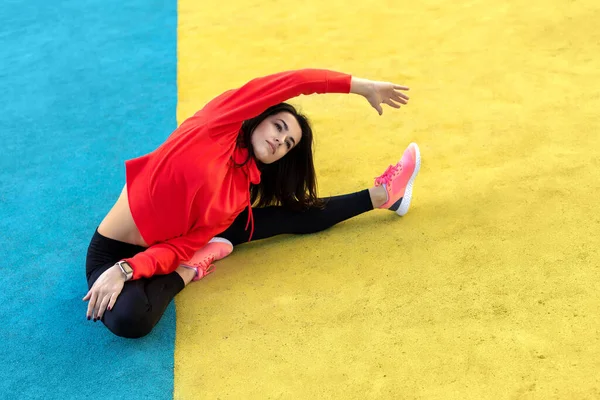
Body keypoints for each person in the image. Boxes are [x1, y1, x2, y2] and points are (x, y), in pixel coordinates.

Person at [83, 68, 419, 338]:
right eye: (278, 126)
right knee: (131, 320)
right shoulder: (215, 126)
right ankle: (191, 271)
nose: (280, 140)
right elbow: (296, 82)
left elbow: (176, 248)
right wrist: (360, 87)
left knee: (287, 217)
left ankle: (383, 196)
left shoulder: (238, 195)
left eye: (288, 143)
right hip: (112, 249)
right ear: (259, 117)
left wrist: (129, 271)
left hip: (173, 241)